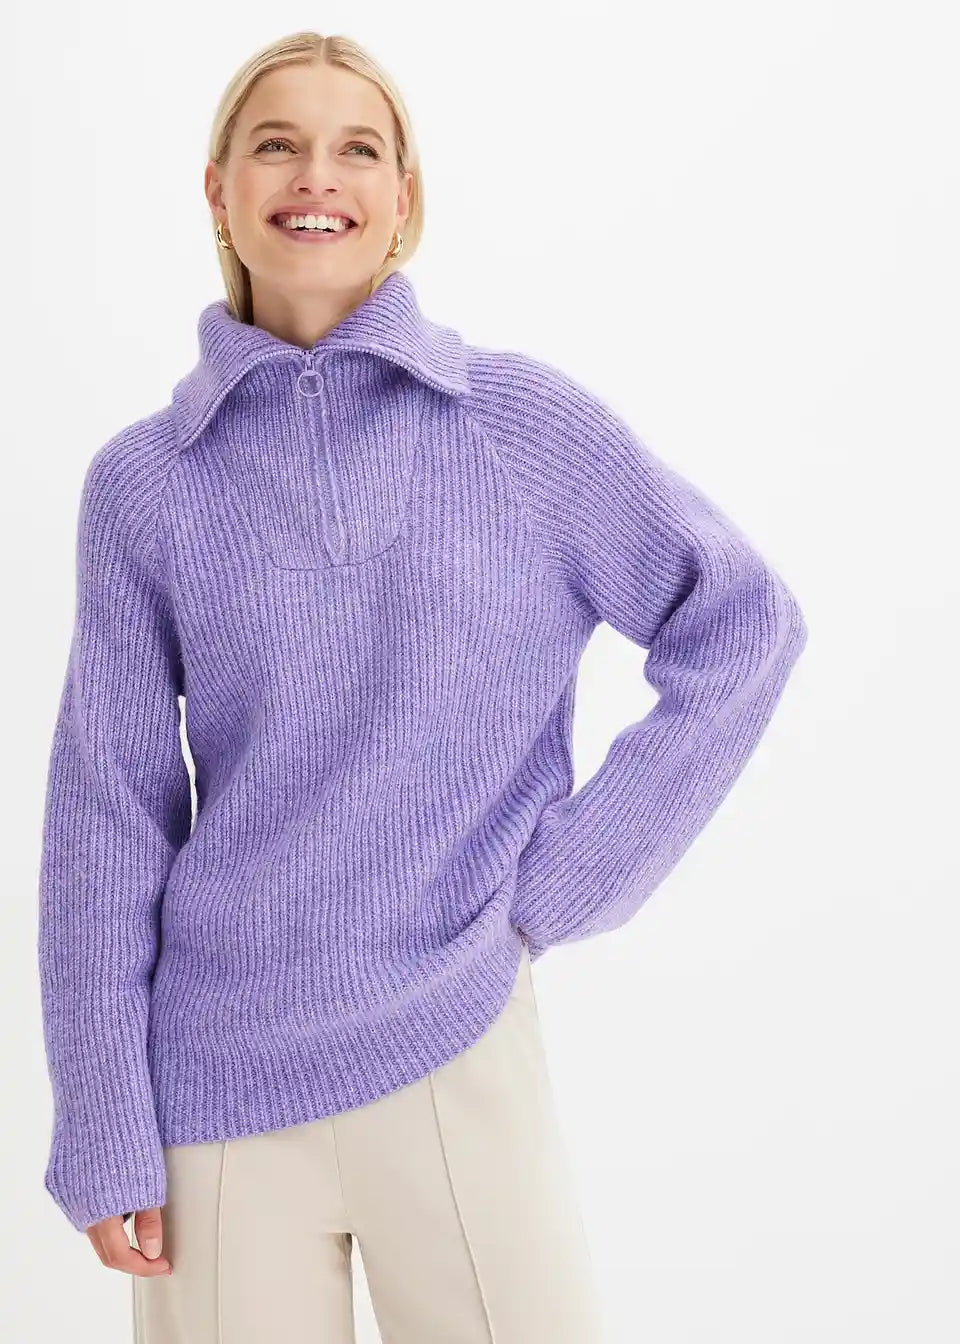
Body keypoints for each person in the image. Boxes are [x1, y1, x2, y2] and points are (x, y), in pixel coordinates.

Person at [36, 28, 808, 1344]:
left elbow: (741, 624)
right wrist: (103, 1115)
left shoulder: (516, 425)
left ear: (404, 197)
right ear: (218, 189)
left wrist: (563, 886)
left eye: (357, 149)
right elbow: (107, 815)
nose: (315, 176)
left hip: (455, 1037)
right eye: (276, 145)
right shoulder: (146, 483)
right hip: (215, 1084)